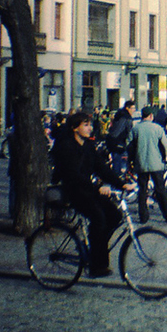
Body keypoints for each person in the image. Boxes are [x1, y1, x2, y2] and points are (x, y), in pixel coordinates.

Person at [51, 112, 134, 277]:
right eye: (86, 125)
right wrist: (98, 187)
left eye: (90, 124)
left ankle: (95, 244)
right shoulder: (66, 146)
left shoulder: (88, 145)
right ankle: (97, 266)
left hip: (88, 189)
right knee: (98, 218)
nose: (90, 128)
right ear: (75, 128)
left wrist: (121, 184)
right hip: (73, 191)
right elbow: (74, 175)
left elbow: (101, 168)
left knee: (115, 215)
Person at [127, 107, 167, 223]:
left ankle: (143, 216)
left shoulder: (135, 129)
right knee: (160, 189)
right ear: (151, 116)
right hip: (156, 163)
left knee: (142, 190)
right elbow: (164, 145)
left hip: (141, 163)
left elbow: (130, 146)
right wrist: (164, 158)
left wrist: (131, 161)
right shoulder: (158, 128)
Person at [105, 100, 136, 175]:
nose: (134, 110)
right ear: (127, 108)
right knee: (121, 166)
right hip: (119, 143)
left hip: (111, 142)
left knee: (116, 163)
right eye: (132, 108)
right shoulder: (127, 118)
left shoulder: (119, 115)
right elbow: (129, 133)